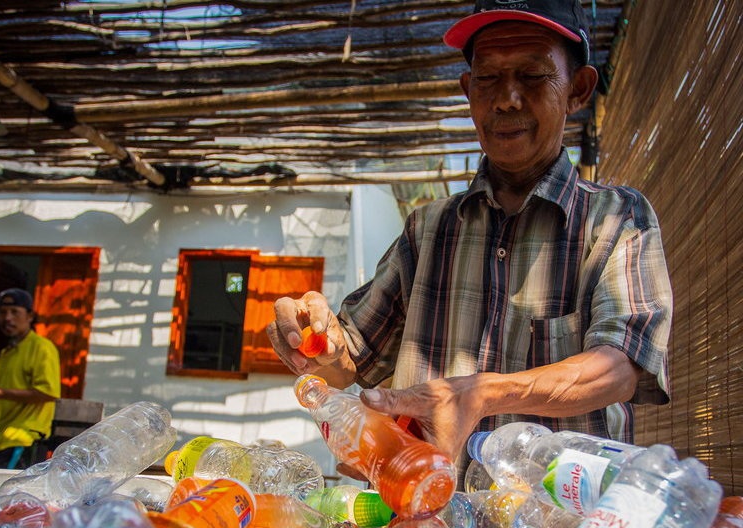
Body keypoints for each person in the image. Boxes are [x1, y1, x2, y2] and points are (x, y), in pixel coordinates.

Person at [266, 0, 672, 475]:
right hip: (426, 526)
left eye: (533, 75)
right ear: (468, 90)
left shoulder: (617, 219)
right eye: (488, 78)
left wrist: (482, 393)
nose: (506, 98)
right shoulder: (427, 230)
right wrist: (318, 341)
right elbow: (349, 363)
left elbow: (621, 368)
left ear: (579, 90)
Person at [0, 288, 61, 469]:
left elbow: (48, 393)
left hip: (24, 440)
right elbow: (0, 410)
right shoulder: (6, 353)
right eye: (2, 312)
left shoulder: (42, 347)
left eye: (14, 312)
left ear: (30, 316)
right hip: (0, 443)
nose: (7, 318)